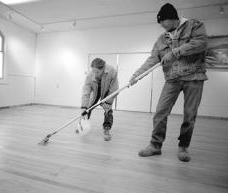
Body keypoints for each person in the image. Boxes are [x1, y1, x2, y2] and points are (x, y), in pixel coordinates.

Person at [129, 3, 208, 162]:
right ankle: (155, 145)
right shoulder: (161, 39)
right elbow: (152, 59)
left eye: (162, 21)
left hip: (194, 77)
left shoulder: (194, 26)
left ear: (172, 18)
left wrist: (175, 52)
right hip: (172, 79)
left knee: (189, 114)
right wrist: (137, 75)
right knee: (160, 112)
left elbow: (201, 43)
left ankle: (183, 147)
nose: (161, 25)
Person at [81, 58, 119, 141]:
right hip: (95, 90)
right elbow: (86, 91)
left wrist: (107, 102)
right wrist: (84, 106)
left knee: (108, 110)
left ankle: (107, 130)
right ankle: (83, 126)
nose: (95, 74)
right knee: (88, 108)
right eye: (93, 71)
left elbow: (114, 89)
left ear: (103, 69)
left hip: (107, 91)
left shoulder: (112, 71)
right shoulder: (90, 75)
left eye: (97, 72)